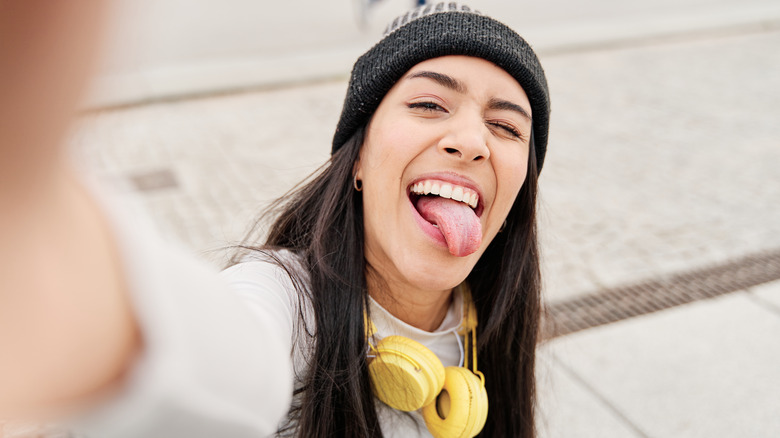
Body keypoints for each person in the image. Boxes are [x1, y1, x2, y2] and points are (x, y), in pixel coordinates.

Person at [0, 2, 549, 438]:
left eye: (506, 128)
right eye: (429, 105)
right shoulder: (286, 304)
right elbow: (226, 359)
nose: (471, 142)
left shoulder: (495, 328)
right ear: (357, 157)